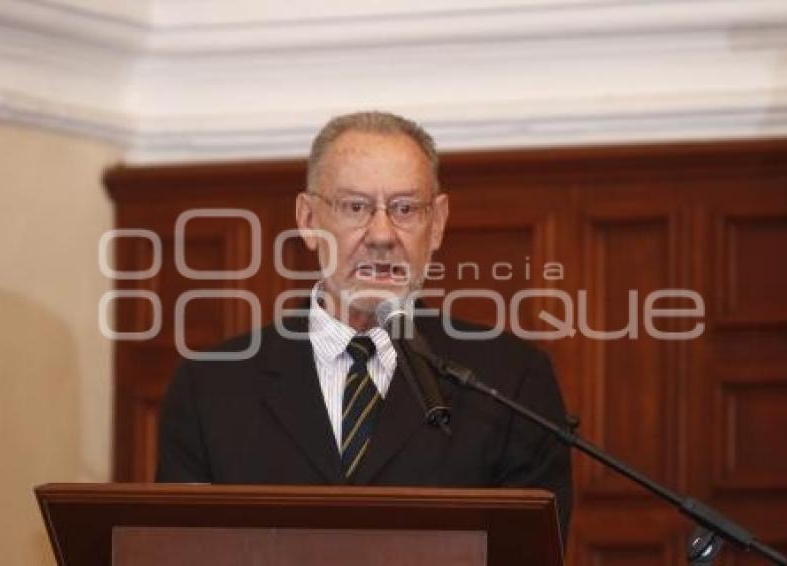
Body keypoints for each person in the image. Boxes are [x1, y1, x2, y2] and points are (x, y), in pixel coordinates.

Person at [156, 111, 573, 542]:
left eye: (405, 208)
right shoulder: (210, 385)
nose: (381, 234)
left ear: (438, 223)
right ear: (308, 218)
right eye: (355, 206)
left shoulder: (511, 383)